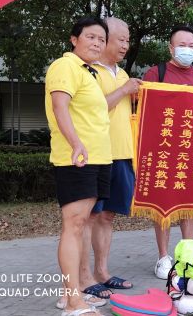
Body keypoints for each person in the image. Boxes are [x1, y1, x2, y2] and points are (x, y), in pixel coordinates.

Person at [58, 18, 142, 305]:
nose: (125, 45)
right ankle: (81, 281)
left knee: (107, 216)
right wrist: (125, 90)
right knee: (84, 219)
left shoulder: (121, 73)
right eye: (120, 39)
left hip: (119, 154)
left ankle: (101, 271)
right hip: (90, 155)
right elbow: (91, 108)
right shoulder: (85, 70)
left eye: (127, 40)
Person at [45, 18, 111, 316]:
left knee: (81, 224)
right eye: (91, 37)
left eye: (101, 39)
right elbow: (59, 107)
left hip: (98, 158)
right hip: (77, 158)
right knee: (73, 225)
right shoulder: (65, 66)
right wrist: (75, 144)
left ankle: (72, 293)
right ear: (74, 39)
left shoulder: (90, 72)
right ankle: (73, 302)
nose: (97, 43)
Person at [142, 25, 193, 279]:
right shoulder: (156, 73)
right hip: (163, 149)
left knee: (190, 203)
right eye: (182, 45)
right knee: (163, 203)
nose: (187, 50)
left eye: (191, 46)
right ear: (171, 48)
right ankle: (163, 258)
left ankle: (187, 254)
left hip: (191, 151)